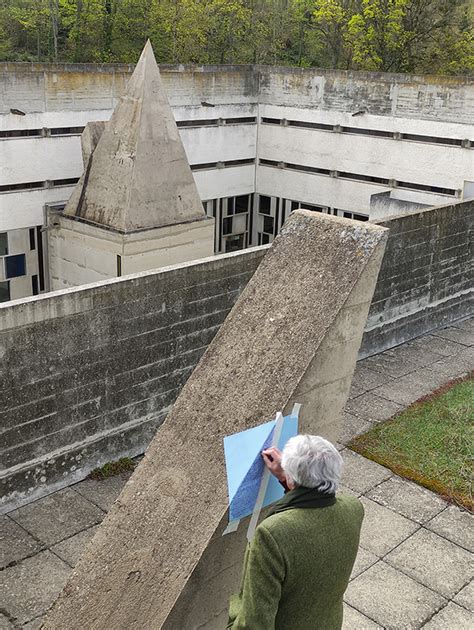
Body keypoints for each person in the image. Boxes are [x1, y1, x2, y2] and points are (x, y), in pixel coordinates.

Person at [227, 434, 364, 630]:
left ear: (292, 479)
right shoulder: (354, 508)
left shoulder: (272, 534)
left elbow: (254, 624)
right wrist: (287, 478)